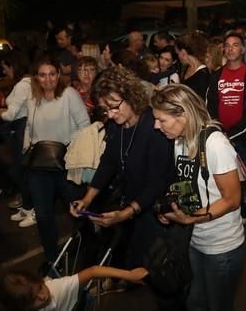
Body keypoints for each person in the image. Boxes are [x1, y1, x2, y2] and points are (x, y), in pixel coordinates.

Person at [151, 84, 245, 311]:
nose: (156, 125)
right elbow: (189, 184)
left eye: (161, 120)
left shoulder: (215, 144)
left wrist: (190, 219)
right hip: (195, 240)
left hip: (221, 246)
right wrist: (171, 208)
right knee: (195, 303)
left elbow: (232, 199)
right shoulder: (179, 140)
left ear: (182, 113)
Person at [70, 66, 174, 268]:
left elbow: (157, 182)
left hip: (155, 209)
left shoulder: (154, 126)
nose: (110, 114)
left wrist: (126, 212)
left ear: (130, 95)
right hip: (132, 204)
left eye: (114, 106)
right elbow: (108, 162)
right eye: (105, 109)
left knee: (159, 270)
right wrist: (87, 198)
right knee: (136, 262)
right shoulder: (116, 126)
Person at [24, 55, 90, 265]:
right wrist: (27, 146)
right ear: (36, 77)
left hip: (65, 164)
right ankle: (52, 260)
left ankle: (89, 251)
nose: (48, 79)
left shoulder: (68, 95)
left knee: (77, 210)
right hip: (39, 166)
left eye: (52, 74)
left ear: (59, 75)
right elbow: (28, 126)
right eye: (42, 75)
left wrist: (66, 148)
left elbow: (84, 125)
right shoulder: (32, 97)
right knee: (43, 216)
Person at [206, 33, 246, 226]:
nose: (231, 48)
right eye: (227, 45)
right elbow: (210, 107)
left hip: (245, 138)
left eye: (235, 45)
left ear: (242, 50)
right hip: (221, 138)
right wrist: (218, 134)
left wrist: (230, 135)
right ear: (223, 50)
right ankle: (240, 210)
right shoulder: (216, 76)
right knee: (229, 177)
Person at [0, 50, 34, 225]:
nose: (4, 71)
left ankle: (32, 208)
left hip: (20, 130)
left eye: (5, 67)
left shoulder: (22, 85)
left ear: (14, 65)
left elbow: (12, 114)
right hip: (21, 128)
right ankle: (28, 206)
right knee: (20, 170)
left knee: (19, 170)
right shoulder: (27, 82)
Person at [0, 266, 148, 311]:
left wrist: (129, 274)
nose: (43, 296)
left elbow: (93, 271)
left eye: (40, 288)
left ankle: (96, 291)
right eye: (34, 299)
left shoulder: (56, 288)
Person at [176, 32, 210, 100]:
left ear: (183, 52)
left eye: (177, 53)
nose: (178, 56)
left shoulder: (203, 75)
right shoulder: (186, 68)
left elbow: (201, 103)